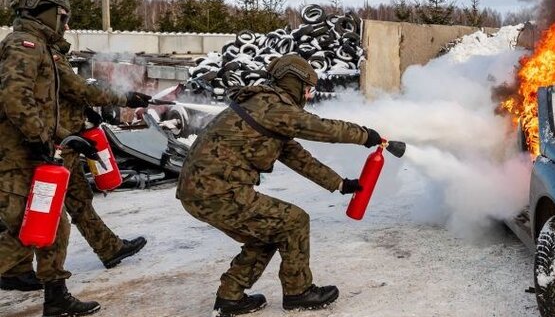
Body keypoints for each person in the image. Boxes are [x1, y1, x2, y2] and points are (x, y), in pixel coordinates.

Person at [177, 55, 386, 316]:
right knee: (294, 221)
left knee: (267, 233)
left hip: (202, 191)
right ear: (294, 84)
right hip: (216, 190)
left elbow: (297, 157)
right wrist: (365, 135)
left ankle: (230, 298)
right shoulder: (274, 108)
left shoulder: (266, 107)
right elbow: (322, 128)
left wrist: (340, 184)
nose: (308, 96)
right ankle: (299, 292)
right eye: (307, 89)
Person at [0, 0, 121, 316]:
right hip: (19, 155)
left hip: (31, 149)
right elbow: (15, 98)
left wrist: (68, 136)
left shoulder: (39, 46)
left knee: (48, 223)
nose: (66, 25)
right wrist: (40, 139)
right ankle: (52, 294)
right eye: (63, 17)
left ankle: (54, 295)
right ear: (46, 13)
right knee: (27, 226)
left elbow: (42, 107)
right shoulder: (24, 46)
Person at [0, 37, 151, 292]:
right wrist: (124, 98)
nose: (67, 27)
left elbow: (62, 95)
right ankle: (18, 270)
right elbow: (77, 88)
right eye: (63, 19)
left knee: (74, 200)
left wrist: (85, 114)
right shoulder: (44, 54)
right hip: (56, 141)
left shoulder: (47, 53)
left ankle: (107, 248)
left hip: (64, 136)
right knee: (49, 212)